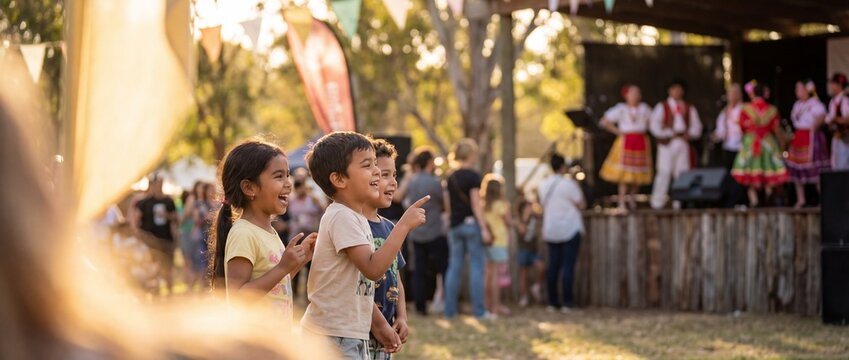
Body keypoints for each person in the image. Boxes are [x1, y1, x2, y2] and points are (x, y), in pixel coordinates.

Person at [300, 132, 428, 359]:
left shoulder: (354, 217)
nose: (377, 171)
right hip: (334, 335)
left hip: (349, 332)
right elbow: (373, 269)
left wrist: (400, 316)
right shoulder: (342, 216)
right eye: (368, 166)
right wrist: (404, 226)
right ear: (339, 179)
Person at [207, 139, 317, 326]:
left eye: (288, 175)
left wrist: (298, 261)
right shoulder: (243, 233)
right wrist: (283, 267)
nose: (289, 184)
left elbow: (275, 286)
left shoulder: (269, 232)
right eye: (278, 176)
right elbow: (237, 299)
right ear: (249, 188)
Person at [365, 139, 409, 359]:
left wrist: (401, 317)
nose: (392, 183)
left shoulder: (389, 226)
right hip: (360, 333)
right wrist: (379, 325)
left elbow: (396, 277)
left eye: (394, 175)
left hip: (385, 335)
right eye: (384, 175)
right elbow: (357, 285)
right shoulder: (354, 225)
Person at [396, 146, 448, 316]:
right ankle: (444, 301)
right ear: (429, 162)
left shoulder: (411, 181)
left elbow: (401, 198)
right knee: (442, 268)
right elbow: (443, 204)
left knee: (418, 269)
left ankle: (420, 306)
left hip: (416, 232)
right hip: (434, 230)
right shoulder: (435, 182)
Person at [443, 139, 491, 320]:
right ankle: (479, 311)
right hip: (471, 225)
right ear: (471, 155)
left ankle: (449, 310)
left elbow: (447, 205)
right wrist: (484, 227)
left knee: (454, 267)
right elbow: (476, 204)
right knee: (477, 268)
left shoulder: (450, 177)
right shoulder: (473, 176)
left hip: (455, 227)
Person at [538, 154, 586, 312]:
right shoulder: (569, 185)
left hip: (551, 229)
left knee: (553, 265)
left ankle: (552, 301)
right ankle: (567, 301)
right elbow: (581, 203)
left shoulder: (543, 185)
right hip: (569, 228)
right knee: (568, 266)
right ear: (562, 166)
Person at [731, 81, 789, 207]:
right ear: (764, 94)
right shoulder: (772, 109)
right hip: (768, 142)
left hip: (751, 142)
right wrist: (783, 143)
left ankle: (754, 200)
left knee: (749, 171)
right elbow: (776, 128)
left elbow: (742, 127)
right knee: (769, 169)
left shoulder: (746, 108)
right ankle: (768, 193)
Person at [649, 80, 703, 209]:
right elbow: (653, 125)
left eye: (679, 89)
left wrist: (690, 134)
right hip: (667, 143)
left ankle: (679, 202)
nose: (677, 92)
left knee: (682, 173)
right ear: (669, 91)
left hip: (682, 143)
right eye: (674, 89)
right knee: (664, 171)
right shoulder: (662, 106)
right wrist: (667, 133)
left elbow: (697, 127)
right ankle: (657, 202)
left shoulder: (689, 108)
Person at [599, 84, 653, 209]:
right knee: (624, 174)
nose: (634, 96)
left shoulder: (644, 109)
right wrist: (618, 132)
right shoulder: (621, 109)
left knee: (637, 174)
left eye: (637, 93)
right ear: (626, 95)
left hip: (640, 141)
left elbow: (654, 122)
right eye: (632, 93)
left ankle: (632, 198)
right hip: (626, 141)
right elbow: (604, 121)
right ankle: (622, 200)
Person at [132, 174, 179, 294]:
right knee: (154, 266)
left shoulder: (168, 201)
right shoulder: (144, 203)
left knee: (168, 266)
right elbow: (136, 220)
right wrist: (140, 236)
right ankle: (155, 290)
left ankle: (169, 291)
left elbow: (176, 217)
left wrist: (167, 216)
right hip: (150, 240)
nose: (159, 186)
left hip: (166, 238)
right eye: (157, 184)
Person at [786, 79, 829, 208]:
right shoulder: (797, 105)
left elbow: (822, 116)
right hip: (799, 137)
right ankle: (801, 199)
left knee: (816, 170)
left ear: (806, 89)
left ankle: (824, 200)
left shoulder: (815, 103)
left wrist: (815, 127)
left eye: (799, 88)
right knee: (796, 171)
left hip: (811, 137)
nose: (796, 91)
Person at [285, 178, 325, 298]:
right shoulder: (292, 200)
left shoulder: (312, 198)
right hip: (296, 235)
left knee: (309, 265)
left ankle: (309, 293)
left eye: (300, 185)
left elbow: (323, 209)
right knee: (295, 262)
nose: (299, 189)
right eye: (297, 186)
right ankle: (294, 293)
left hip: (310, 233)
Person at [481, 173, 512, 317]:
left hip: (487, 242)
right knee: (495, 276)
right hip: (498, 241)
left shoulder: (483, 206)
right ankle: (496, 306)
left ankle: (487, 306)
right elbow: (508, 222)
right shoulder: (501, 204)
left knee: (488, 275)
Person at [711, 83, 747, 207]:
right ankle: (730, 201)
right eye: (730, 93)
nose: (732, 96)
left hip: (742, 147)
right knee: (729, 175)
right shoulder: (724, 112)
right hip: (728, 146)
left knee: (740, 175)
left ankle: (741, 201)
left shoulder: (744, 109)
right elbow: (720, 130)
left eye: (734, 93)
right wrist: (715, 136)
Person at [515, 190, 544, 307]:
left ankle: (536, 286)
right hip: (523, 250)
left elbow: (539, 232)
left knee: (541, 267)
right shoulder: (519, 219)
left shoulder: (535, 218)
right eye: (527, 207)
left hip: (533, 250)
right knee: (524, 274)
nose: (529, 209)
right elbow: (523, 231)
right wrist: (526, 219)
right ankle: (524, 297)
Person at [826, 72, 849, 170]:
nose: (831, 86)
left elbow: (847, 119)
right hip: (836, 136)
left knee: (843, 164)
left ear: (839, 85)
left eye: (833, 84)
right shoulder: (833, 101)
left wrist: (834, 119)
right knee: (835, 164)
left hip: (845, 137)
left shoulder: (844, 100)